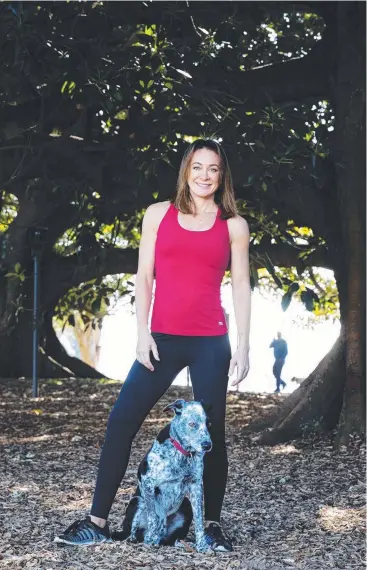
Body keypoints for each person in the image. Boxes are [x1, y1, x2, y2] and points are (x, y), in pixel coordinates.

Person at [54, 139, 251, 552]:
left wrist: (244, 346)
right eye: (197, 167)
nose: (204, 175)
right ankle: (96, 521)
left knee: (210, 436)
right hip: (161, 339)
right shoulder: (158, 215)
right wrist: (142, 333)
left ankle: (210, 526)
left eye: (212, 169)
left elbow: (242, 289)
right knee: (122, 421)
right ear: (186, 170)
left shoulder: (233, 225)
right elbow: (144, 277)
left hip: (210, 343)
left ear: (221, 176)